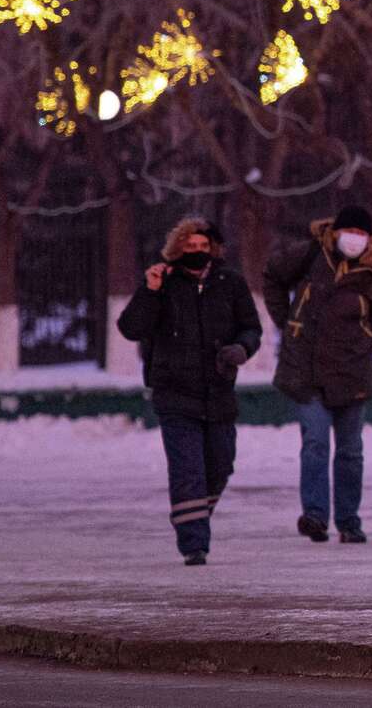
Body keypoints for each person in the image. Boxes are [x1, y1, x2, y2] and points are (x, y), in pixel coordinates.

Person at [116, 216, 261, 565]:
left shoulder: (231, 282)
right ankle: (194, 543)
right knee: (187, 471)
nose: (197, 252)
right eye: (189, 247)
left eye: (203, 246)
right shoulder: (163, 284)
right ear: (177, 250)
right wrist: (149, 290)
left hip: (219, 392)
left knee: (220, 465)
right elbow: (131, 328)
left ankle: (193, 516)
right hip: (174, 394)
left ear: (213, 249)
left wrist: (241, 349)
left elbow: (251, 328)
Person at [265, 203, 372, 545]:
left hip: (353, 371)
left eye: (362, 234)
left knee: (350, 451)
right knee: (316, 442)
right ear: (335, 232)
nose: (355, 239)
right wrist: (287, 323)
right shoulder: (309, 254)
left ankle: (349, 521)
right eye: (350, 232)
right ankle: (315, 516)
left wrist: (365, 340)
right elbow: (272, 276)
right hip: (306, 370)